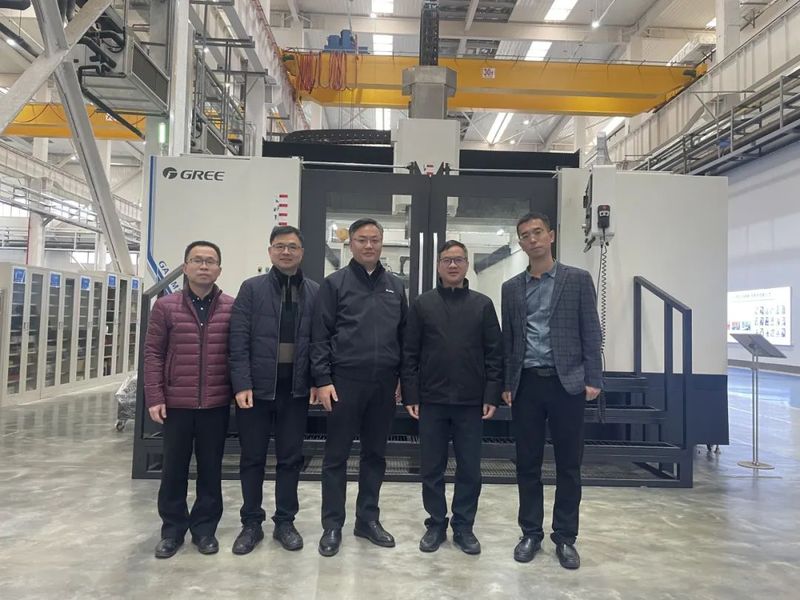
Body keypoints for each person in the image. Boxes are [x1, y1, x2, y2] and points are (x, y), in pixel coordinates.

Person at [501, 212, 602, 570]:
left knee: (568, 465)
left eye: (538, 232)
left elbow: (591, 330)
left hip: (567, 383)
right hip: (527, 384)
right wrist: (507, 383)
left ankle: (565, 537)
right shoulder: (511, 288)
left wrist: (594, 377)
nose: (532, 239)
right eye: (525, 235)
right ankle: (530, 532)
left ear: (551, 236)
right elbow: (510, 339)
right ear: (520, 242)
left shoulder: (577, 279)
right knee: (527, 463)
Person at [311, 218, 407, 557]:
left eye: (375, 239)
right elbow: (320, 336)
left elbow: (404, 337)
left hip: (383, 385)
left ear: (382, 243)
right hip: (344, 383)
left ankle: (367, 520)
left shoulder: (396, 286)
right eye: (362, 240)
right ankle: (332, 525)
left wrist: (402, 379)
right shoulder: (334, 284)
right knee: (336, 456)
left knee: (375, 455)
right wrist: (323, 380)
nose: (369, 245)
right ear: (350, 243)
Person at [402, 240, 503, 555]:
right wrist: (411, 393)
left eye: (459, 259)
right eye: (447, 260)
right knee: (431, 468)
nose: (453, 265)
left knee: (470, 469)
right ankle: (435, 524)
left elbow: (495, 354)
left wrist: (491, 394)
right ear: (438, 265)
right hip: (431, 400)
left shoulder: (483, 305)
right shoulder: (422, 304)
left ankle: (463, 526)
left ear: (467, 264)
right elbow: (409, 353)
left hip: (471, 402)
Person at [228, 226, 319, 555]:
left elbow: (320, 342)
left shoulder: (315, 291)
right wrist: (242, 383)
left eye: (292, 246)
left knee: (290, 459)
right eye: (280, 246)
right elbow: (238, 340)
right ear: (270, 252)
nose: (286, 252)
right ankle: (251, 523)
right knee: (252, 458)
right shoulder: (251, 289)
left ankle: (285, 522)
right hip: (256, 390)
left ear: (301, 253)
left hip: (295, 391)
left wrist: (315, 380)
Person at [144, 240, 234, 559]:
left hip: (216, 403)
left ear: (219, 269)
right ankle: (172, 531)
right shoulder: (165, 307)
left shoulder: (231, 307)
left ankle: (205, 529)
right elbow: (153, 354)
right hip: (176, 404)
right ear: (185, 267)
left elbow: (237, 354)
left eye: (211, 261)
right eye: (197, 260)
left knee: (211, 469)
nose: (204, 266)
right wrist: (154, 395)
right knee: (174, 469)